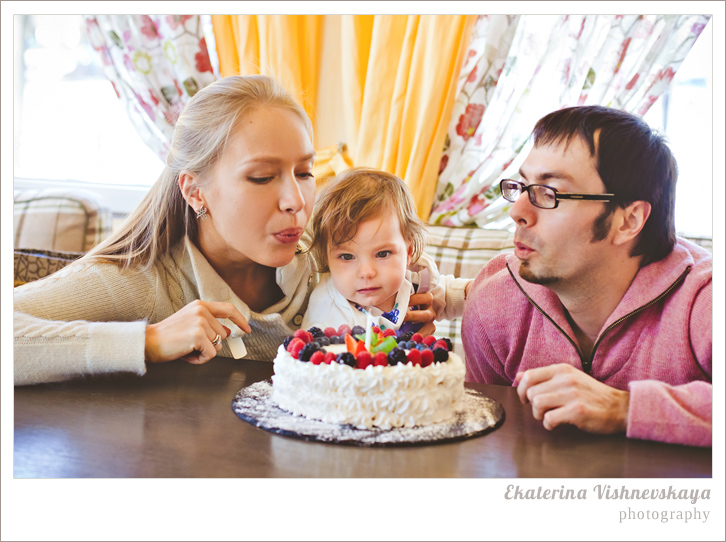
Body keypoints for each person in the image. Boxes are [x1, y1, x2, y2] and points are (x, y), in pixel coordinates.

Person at [13, 75, 436, 386]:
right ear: (196, 192)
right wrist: (149, 340)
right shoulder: (142, 281)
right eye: (262, 177)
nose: (295, 201)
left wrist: (403, 306)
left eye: (304, 172)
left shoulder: (325, 256)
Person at [462, 105, 712, 447]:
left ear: (628, 221)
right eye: (522, 186)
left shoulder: (704, 300)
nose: (517, 211)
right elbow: (483, 431)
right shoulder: (495, 301)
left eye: (550, 193)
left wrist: (625, 408)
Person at [302, 167, 471, 333]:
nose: (366, 272)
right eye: (346, 256)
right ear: (327, 258)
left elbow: (445, 295)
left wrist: (471, 290)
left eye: (382, 254)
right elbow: (318, 358)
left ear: (409, 252)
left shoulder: (417, 277)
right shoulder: (327, 311)